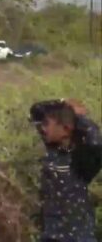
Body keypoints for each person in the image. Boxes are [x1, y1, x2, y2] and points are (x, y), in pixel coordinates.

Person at [29, 99, 101, 242]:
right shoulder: (53, 152)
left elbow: (96, 142)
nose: (42, 129)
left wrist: (79, 118)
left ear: (66, 129)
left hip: (79, 237)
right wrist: (61, 103)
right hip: (51, 235)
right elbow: (36, 111)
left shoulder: (80, 160)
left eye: (46, 124)